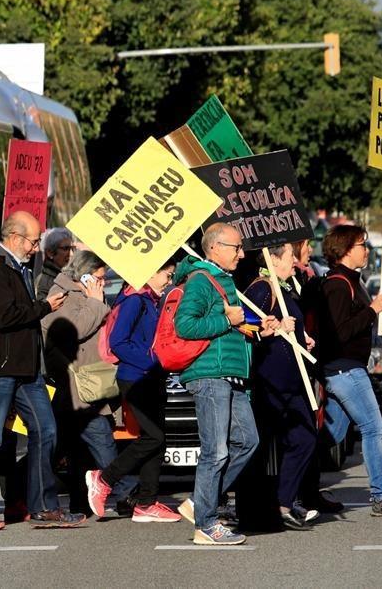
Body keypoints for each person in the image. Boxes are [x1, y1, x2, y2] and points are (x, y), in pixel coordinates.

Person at [0, 211, 78, 531]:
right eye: (34, 241)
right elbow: (4, 317)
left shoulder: (17, 266)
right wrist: (44, 307)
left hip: (26, 367)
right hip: (0, 367)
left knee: (46, 430)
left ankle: (44, 506)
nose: (36, 247)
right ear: (14, 238)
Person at [175, 223, 281, 545]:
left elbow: (233, 330)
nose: (241, 253)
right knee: (215, 452)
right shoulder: (200, 281)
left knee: (248, 441)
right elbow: (185, 325)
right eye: (235, 247)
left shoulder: (223, 280)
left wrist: (260, 328)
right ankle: (205, 524)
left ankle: (200, 503)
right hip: (211, 375)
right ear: (215, 248)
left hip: (231, 375)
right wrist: (228, 320)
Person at [307, 224, 382, 515]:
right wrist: (372, 310)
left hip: (345, 368)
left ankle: (296, 481)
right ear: (344, 250)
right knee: (372, 427)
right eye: (361, 245)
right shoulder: (337, 284)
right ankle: (381, 494)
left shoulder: (352, 281)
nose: (366, 250)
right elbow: (339, 332)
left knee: (333, 434)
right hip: (344, 369)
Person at [40, 250, 135, 516]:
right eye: (99, 278)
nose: (103, 283)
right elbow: (74, 330)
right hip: (78, 384)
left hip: (86, 382)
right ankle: (129, 492)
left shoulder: (85, 294)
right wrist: (95, 303)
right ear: (83, 276)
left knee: (72, 448)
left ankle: (76, 501)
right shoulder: (64, 295)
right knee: (100, 440)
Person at [85, 260, 180, 523]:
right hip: (135, 378)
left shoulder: (150, 299)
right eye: (166, 275)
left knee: (158, 440)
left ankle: (147, 502)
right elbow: (118, 342)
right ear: (150, 271)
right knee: (154, 437)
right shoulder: (134, 299)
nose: (168, 281)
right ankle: (104, 479)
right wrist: (151, 361)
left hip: (152, 377)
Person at [243, 242, 320, 531]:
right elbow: (248, 330)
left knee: (305, 439)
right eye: (289, 256)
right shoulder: (262, 289)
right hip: (271, 381)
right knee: (263, 445)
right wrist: (275, 332)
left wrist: (302, 335)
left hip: (292, 380)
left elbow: (290, 325)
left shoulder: (286, 287)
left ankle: (284, 502)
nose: (295, 261)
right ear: (273, 259)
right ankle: (256, 505)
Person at [36, 227, 75, 301]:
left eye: (72, 248)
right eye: (65, 248)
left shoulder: (71, 274)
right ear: (50, 252)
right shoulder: (45, 281)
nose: (71, 254)